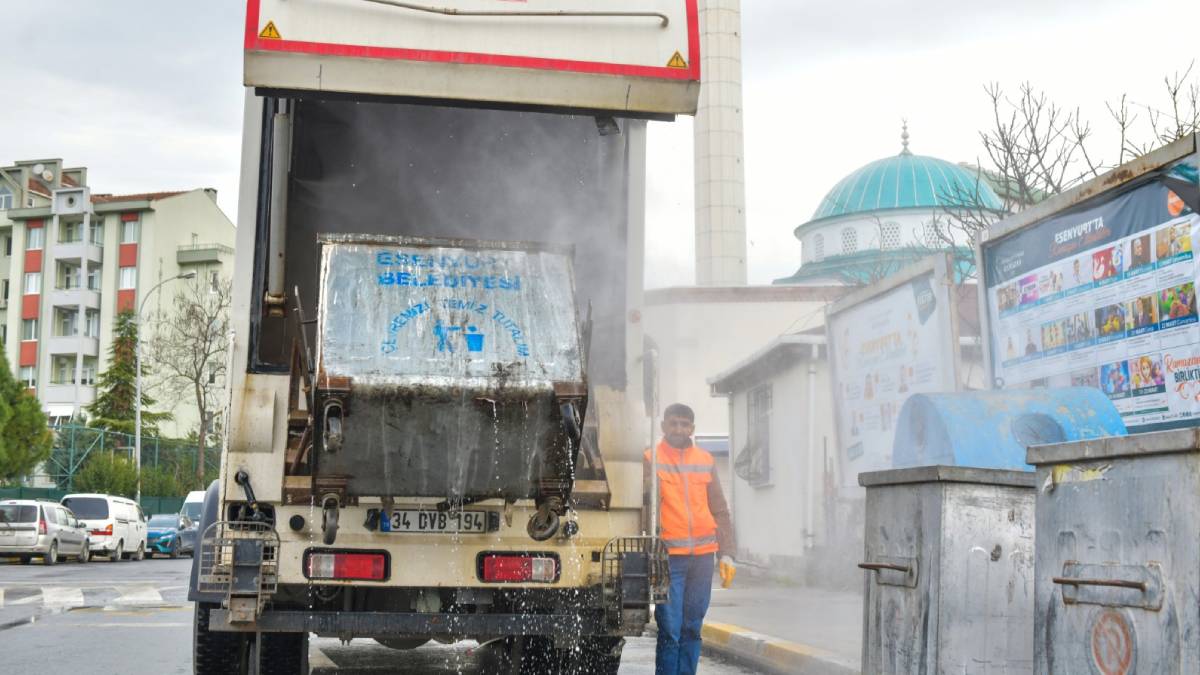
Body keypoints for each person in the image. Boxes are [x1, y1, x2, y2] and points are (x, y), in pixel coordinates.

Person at [644, 403, 736, 675]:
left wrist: (727, 553)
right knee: (670, 630)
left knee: (692, 628)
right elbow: (644, 509)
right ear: (663, 426)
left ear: (692, 429)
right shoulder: (651, 458)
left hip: (704, 558)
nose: (679, 429)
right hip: (668, 559)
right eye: (673, 423)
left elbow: (719, 509)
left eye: (684, 424)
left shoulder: (705, 460)